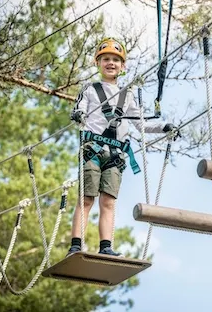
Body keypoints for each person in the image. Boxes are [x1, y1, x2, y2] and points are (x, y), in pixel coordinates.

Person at [67, 37, 172, 257]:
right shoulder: (89, 90)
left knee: (108, 202)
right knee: (86, 199)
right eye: (105, 59)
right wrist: (78, 115)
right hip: (93, 150)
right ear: (98, 63)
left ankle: (106, 247)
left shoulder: (128, 95)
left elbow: (141, 124)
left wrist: (164, 127)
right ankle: (76, 245)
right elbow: (79, 111)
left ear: (122, 66)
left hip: (115, 155)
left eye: (115, 60)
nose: (110, 63)